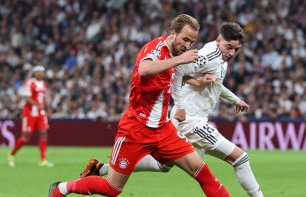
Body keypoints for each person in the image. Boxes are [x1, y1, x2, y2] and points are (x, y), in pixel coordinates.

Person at [48, 14, 230, 197]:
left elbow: (173, 74)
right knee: (112, 189)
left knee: (202, 172)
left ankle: (98, 168)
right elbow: (145, 69)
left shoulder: (174, 55)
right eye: (185, 39)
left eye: (192, 42)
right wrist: (180, 60)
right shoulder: (156, 48)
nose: (188, 45)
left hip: (163, 129)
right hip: (135, 129)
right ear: (173, 33)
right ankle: (61, 189)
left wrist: (197, 81)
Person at [80, 22, 264, 197]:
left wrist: (235, 99)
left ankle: (101, 168)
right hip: (191, 121)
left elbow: (214, 85)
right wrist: (181, 106)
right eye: (229, 47)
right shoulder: (209, 55)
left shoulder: (221, 58)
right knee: (240, 158)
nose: (232, 53)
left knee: (163, 166)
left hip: (188, 119)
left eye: (236, 49)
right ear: (218, 40)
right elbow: (179, 70)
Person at [8, 65, 54, 167]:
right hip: (30, 113)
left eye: (42, 72)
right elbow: (27, 97)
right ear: (34, 73)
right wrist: (37, 105)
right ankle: (12, 154)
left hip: (40, 113)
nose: (40, 73)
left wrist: (48, 109)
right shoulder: (30, 82)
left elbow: (44, 97)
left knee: (43, 134)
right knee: (26, 138)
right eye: (38, 72)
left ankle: (43, 160)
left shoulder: (43, 84)